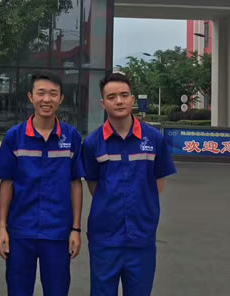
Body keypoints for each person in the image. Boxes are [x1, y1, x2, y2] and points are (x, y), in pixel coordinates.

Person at [82, 72, 176, 296]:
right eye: (112, 97)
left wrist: (141, 208)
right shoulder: (93, 143)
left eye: (124, 95)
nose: (119, 101)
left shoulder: (154, 139)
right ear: (103, 103)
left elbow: (158, 183)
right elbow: (94, 186)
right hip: (104, 239)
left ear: (132, 99)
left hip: (141, 238)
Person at [0, 72, 84, 296]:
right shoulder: (14, 137)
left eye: (53, 94)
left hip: (58, 232)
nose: (46, 99)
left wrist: (75, 229)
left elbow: (75, 184)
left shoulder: (71, 137)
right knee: (18, 290)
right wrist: (2, 227)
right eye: (41, 93)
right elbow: (6, 184)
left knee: (57, 290)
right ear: (30, 96)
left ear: (61, 98)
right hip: (20, 231)